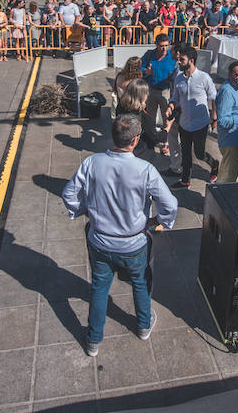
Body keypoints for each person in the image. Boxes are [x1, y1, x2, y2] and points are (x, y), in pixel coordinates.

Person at [61, 115, 178, 357]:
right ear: (135, 140)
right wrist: (160, 221)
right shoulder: (145, 169)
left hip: (100, 241)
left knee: (99, 288)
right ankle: (143, 326)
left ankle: (93, 340)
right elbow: (170, 204)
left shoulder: (92, 163)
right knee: (140, 283)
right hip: (134, 243)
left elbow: (69, 195)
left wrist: (84, 211)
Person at [167, 45, 218, 188]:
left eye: (182, 60)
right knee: (186, 154)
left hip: (200, 124)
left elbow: (213, 97)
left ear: (191, 60)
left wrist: (214, 116)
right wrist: (170, 106)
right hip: (184, 124)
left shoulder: (204, 78)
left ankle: (214, 164)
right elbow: (175, 98)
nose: (179, 62)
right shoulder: (178, 79)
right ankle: (185, 181)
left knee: (199, 154)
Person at [141, 33, 177, 129]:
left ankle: (166, 140)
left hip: (166, 92)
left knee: (167, 117)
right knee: (150, 117)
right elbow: (141, 67)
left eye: (166, 45)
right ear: (156, 45)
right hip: (151, 90)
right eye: (161, 46)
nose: (164, 49)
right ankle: (151, 137)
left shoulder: (172, 57)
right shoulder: (149, 55)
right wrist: (145, 71)